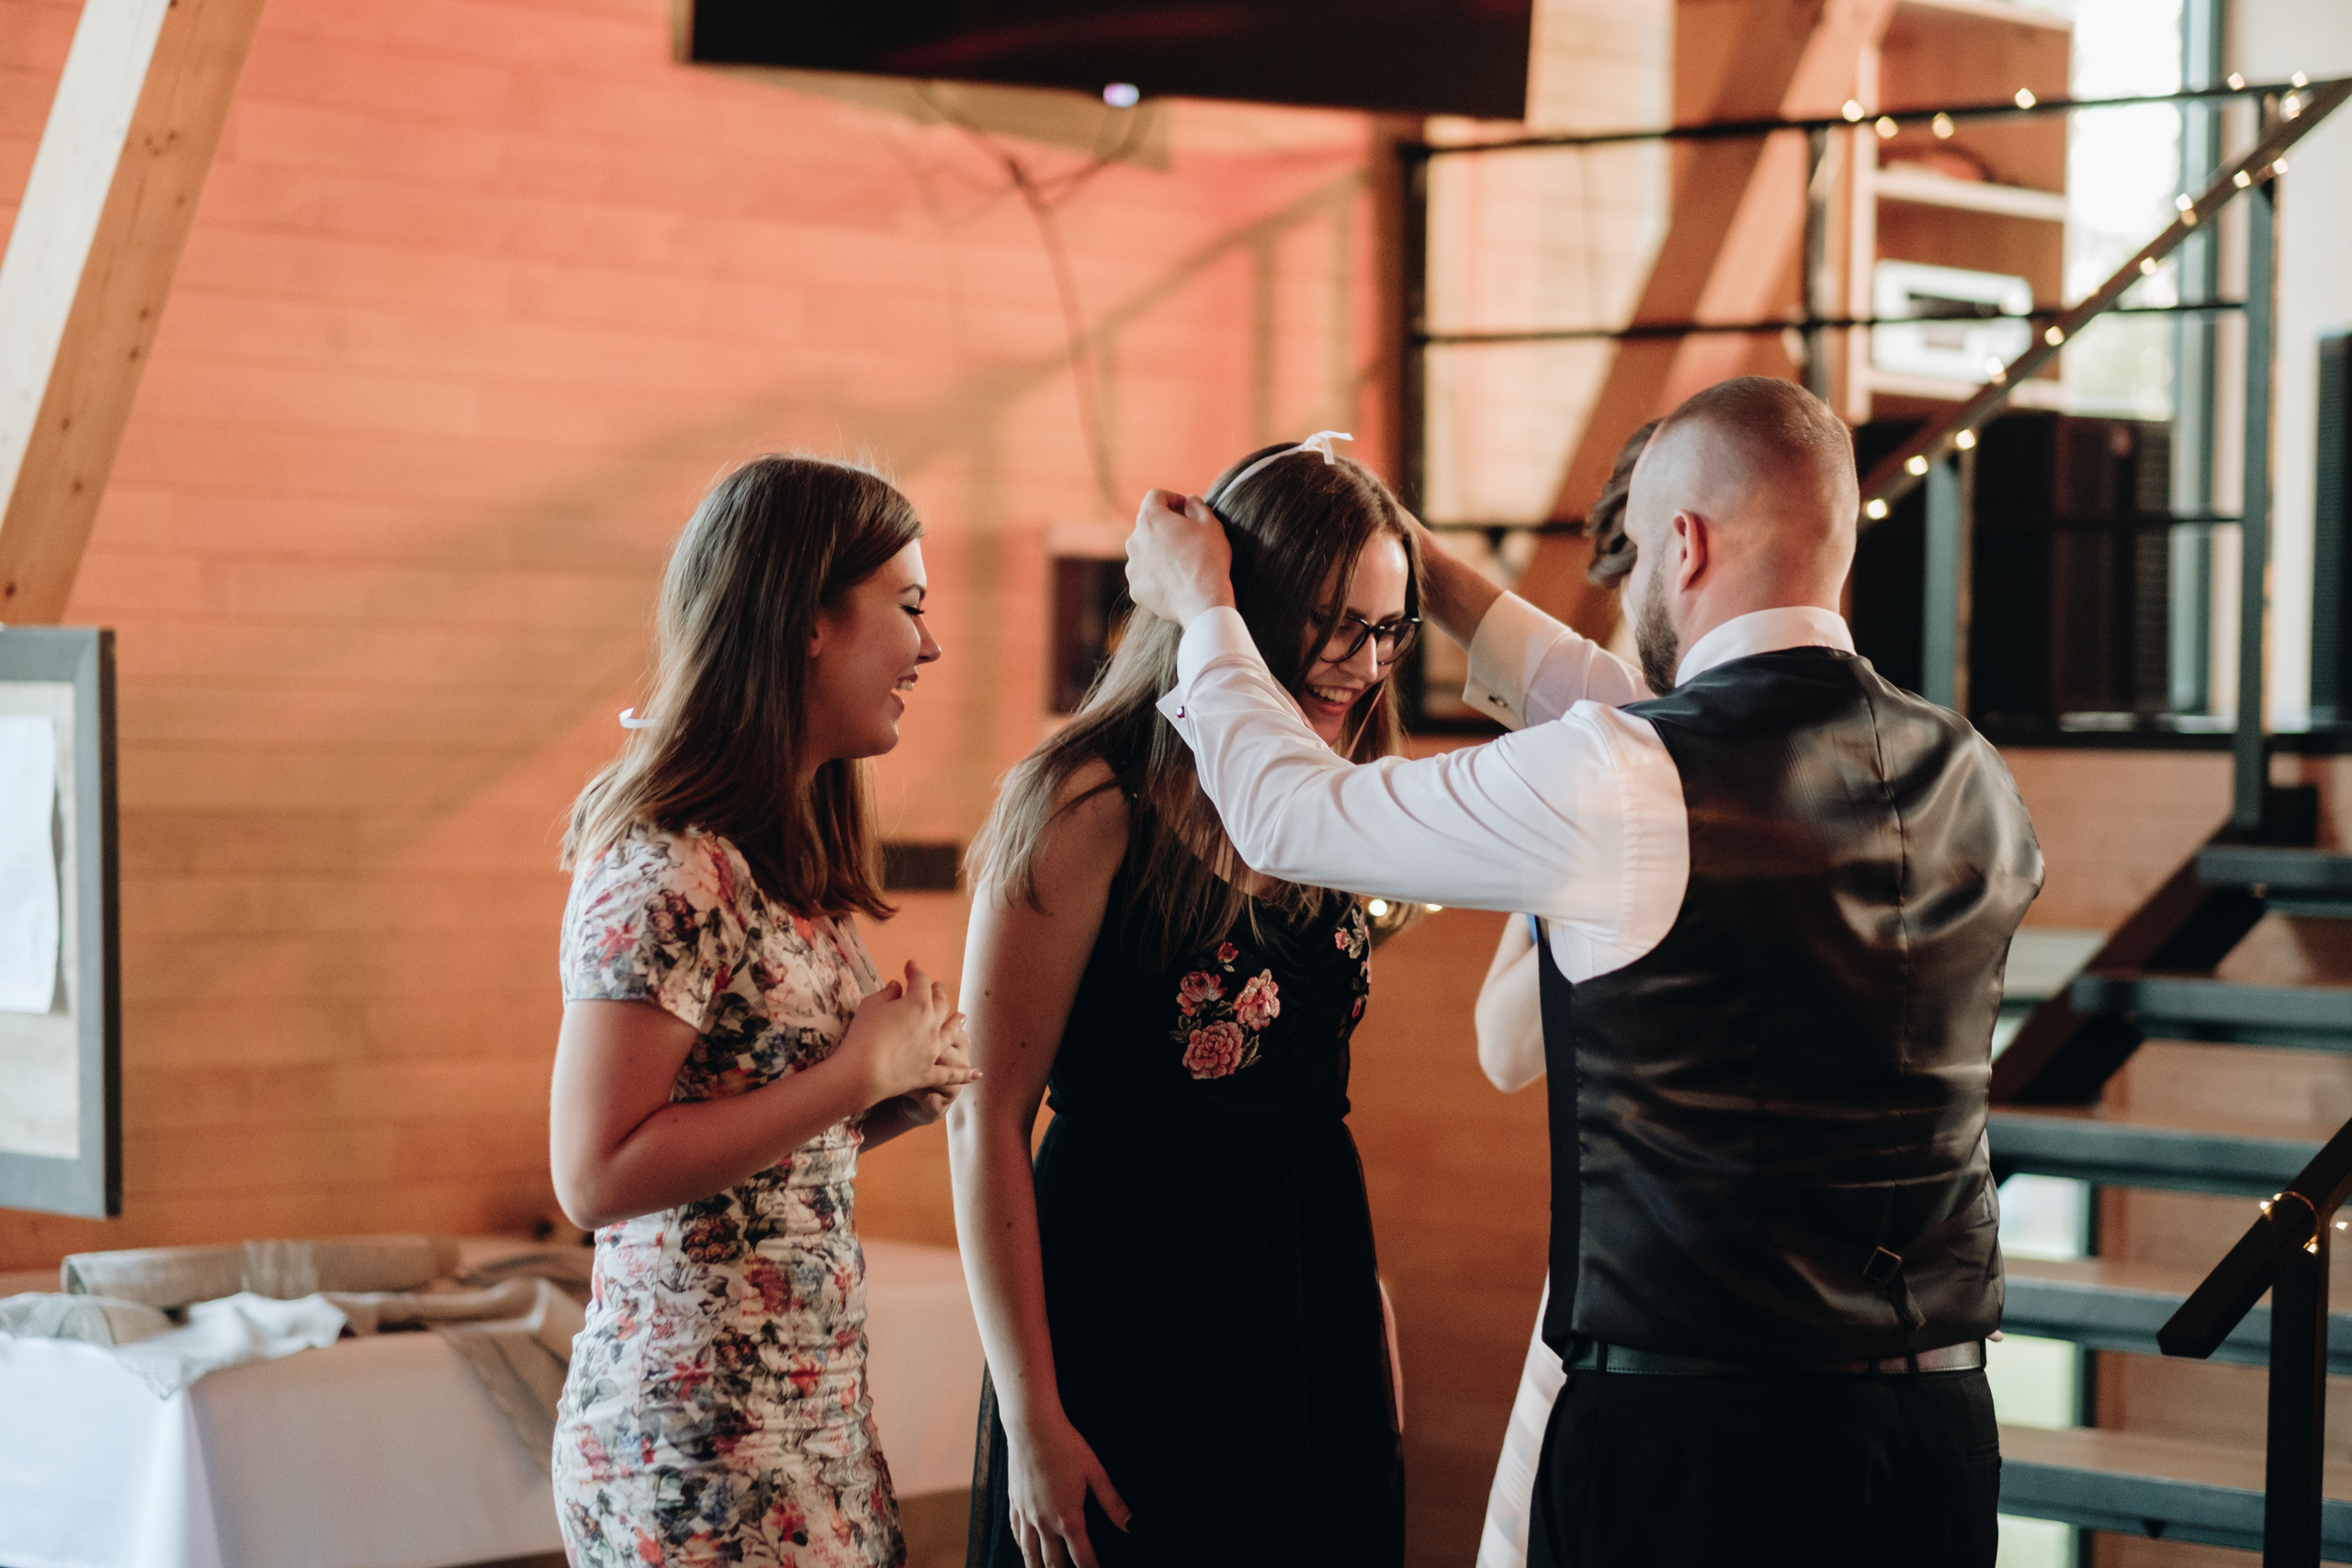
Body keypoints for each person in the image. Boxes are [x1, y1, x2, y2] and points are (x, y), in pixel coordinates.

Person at [1124, 378, 2042, 1567]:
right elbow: (1647, 722)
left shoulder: (1629, 778)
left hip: (1700, 1442)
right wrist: (1425, 565)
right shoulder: (1972, 772)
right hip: (1936, 1435)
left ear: (1685, 542)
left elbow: (1292, 814)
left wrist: (1202, 607)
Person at [951, 433, 1415, 1568]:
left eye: (1387, 627)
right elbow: (985, 1116)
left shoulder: (1335, 793)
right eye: (1333, 621)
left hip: (1306, 1287)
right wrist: (1030, 1417)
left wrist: (1370, 1332)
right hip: (1132, 1283)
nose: (1363, 661)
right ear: (1234, 607)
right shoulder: (1090, 798)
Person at [548, 455, 981, 1568]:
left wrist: (891, 1095)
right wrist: (850, 1077)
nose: (928, 649)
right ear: (807, 623)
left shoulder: (775, 858)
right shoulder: (671, 866)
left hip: (804, 1422)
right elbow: (595, 1175)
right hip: (697, 1447)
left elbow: (748, 1151)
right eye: (910, 607)